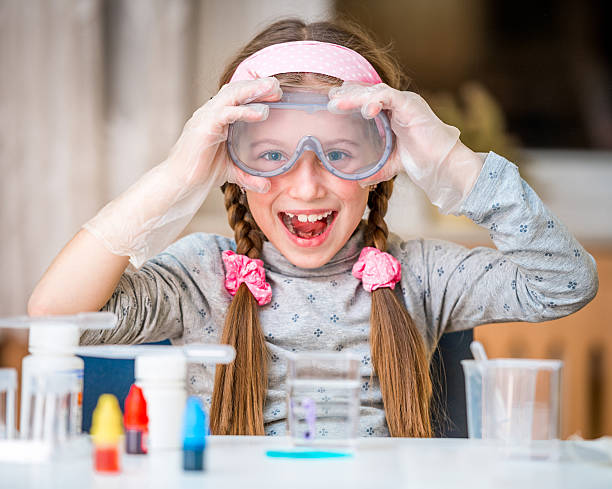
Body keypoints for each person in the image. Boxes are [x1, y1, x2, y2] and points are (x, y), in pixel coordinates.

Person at [28, 19, 598, 438]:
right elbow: (57, 319)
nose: (305, 188)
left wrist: (452, 162)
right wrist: (174, 176)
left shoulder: (424, 275)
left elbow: (565, 283)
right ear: (231, 166)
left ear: (383, 165)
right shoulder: (199, 275)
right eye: (271, 155)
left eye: (341, 154)